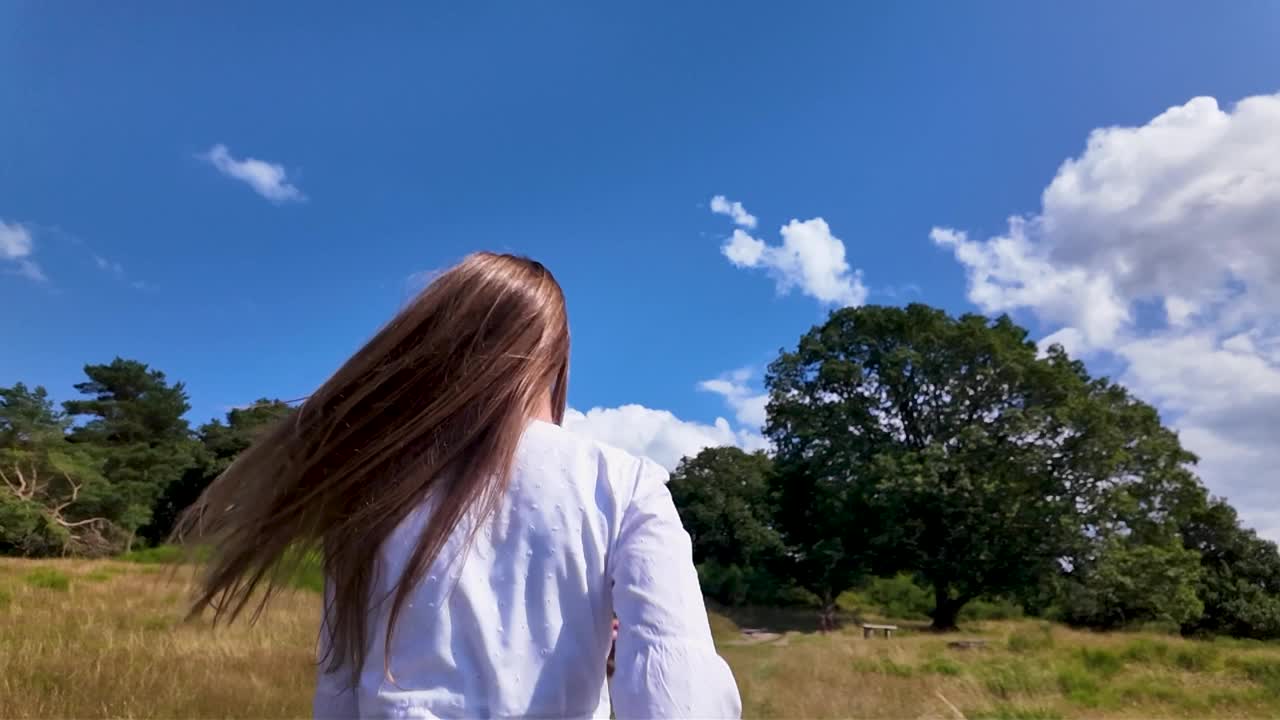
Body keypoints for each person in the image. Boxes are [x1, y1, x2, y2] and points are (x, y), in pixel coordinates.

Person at [176, 252, 741, 720]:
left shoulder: (369, 495)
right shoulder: (621, 482)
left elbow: (339, 691)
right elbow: (677, 690)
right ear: (555, 362)